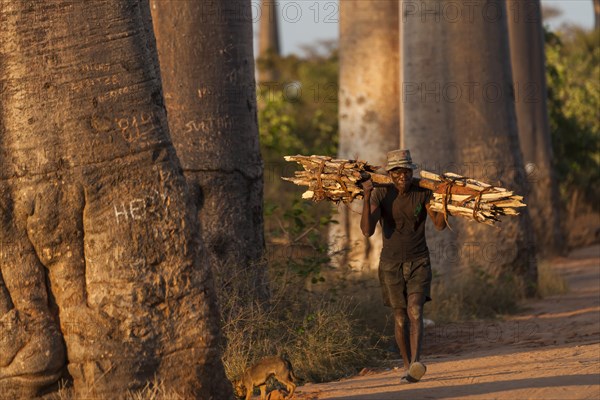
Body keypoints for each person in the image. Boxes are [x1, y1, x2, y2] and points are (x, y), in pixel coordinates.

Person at [360, 149, 447, 384]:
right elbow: (367, 231)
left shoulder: (423, 192)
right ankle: (407, 365)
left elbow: (438, 225)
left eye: (407, 172)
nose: (403, 177)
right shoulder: (380, 193)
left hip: (419, 260)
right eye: (397, 173)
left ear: (412, 172)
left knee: (415, 310)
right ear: (390, 174)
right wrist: (367, 196)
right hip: (390, 264)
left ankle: (417, 363)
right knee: (400, 318)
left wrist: (444, 200)